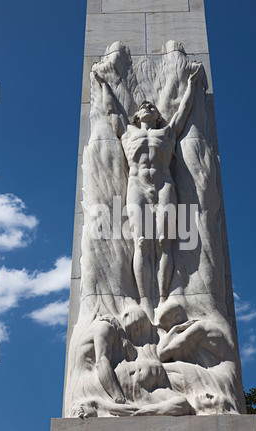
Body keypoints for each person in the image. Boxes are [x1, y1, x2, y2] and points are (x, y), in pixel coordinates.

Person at [94, 65, 202, 319]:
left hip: (165, 184)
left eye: (152, 107)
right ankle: (145, 301)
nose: (147, 107)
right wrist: (103, 85)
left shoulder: (167, 132)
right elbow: (112, 110)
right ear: (136, 115)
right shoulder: (128, 133)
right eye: (143, 107)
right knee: (142, 242)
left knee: (165, 242)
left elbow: (184, 111)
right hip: (137, 185)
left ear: (158, 115)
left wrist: (192, 85)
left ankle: (163, 298)